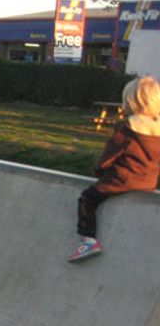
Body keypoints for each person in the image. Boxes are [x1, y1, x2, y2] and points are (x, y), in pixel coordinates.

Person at [68, 76, 160, 262]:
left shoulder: (127, 128)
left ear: (130, 101)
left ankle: (88, 241)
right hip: (150, 182)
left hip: (121, 181)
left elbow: (111, 154)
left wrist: (99, 170)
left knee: (88, 198)